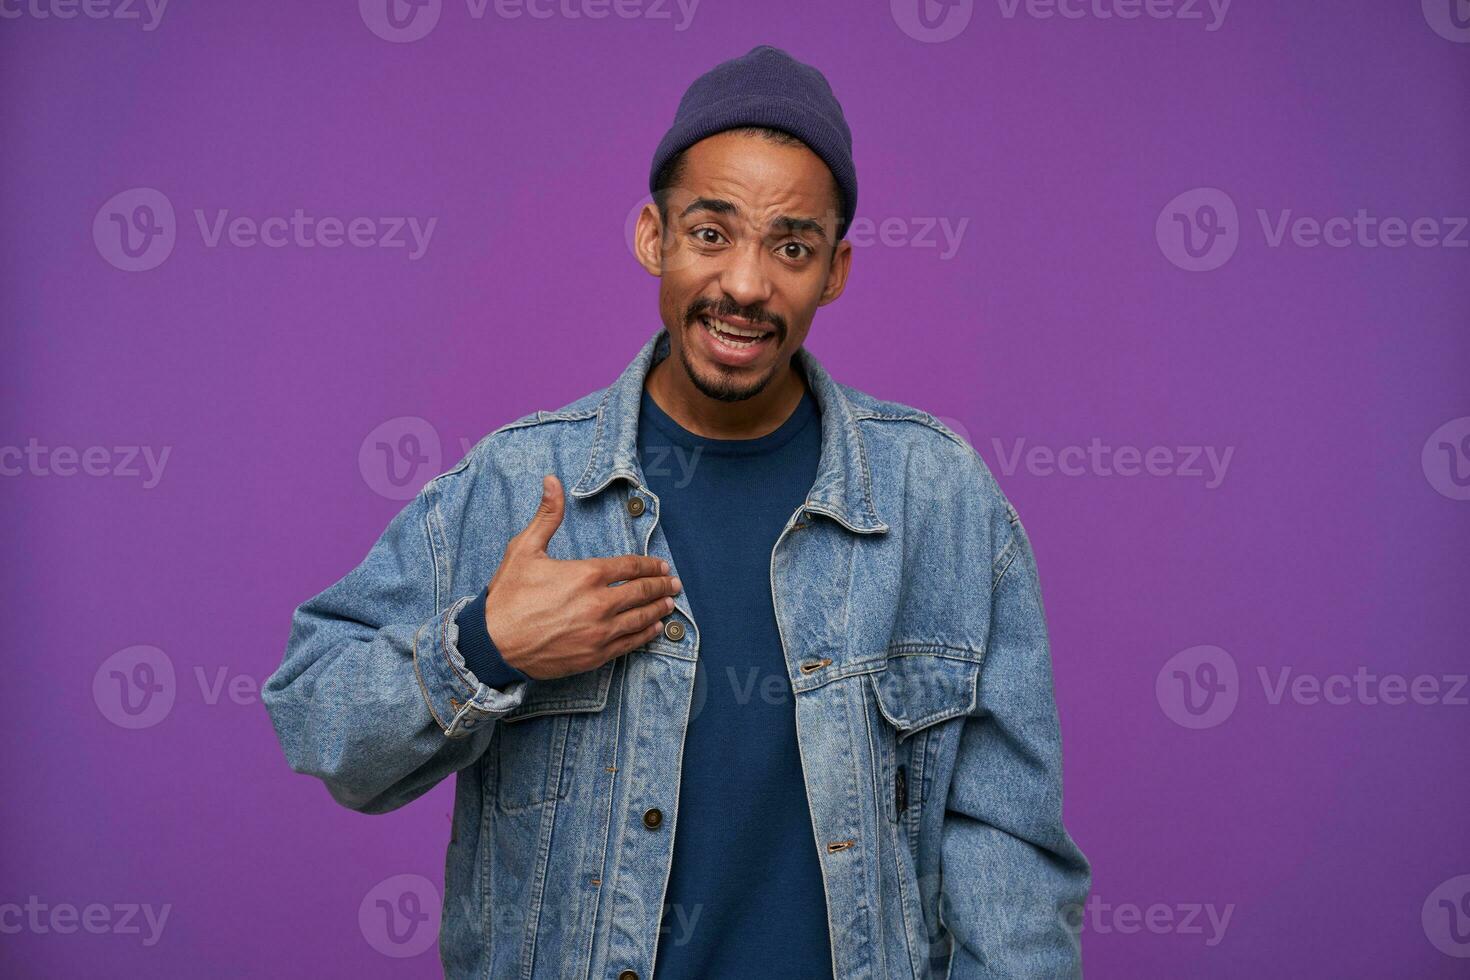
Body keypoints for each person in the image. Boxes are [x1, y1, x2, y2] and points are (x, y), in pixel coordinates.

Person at [263, 43, 1090, 980]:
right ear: (654, 238)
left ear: (836, 270)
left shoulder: (939, 499)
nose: (745, 284)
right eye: (711, 233)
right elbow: (318, 719)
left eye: (791, 246)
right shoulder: (521, 482)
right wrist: (486, 644)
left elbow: (1008, 852)